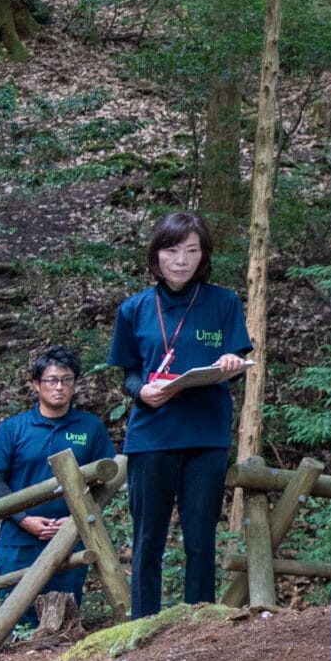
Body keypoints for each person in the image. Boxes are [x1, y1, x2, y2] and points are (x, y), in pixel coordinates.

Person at [107, 210, 251, 619]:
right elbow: (129, 373)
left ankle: (198, 621)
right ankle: (143, 624)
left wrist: (230, 362)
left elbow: (237, 355)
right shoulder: (133, 309)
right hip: (152, 434)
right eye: (172, 250)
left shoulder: (223, 302)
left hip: (206, 434)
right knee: (148, 537)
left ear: (203, 256)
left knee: (201, 538)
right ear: (156, 256)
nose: (182, 260)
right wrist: (141, 391)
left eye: (192, 250)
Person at [0, 347, 114, 623]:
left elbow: (104, 481)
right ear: (36, 384)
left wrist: (74, 520)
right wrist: (23, 519)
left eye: (67, 379)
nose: (59, 387)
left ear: (75, 383)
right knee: (14, 622)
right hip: (19, 538)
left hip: (70, 536)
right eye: (51, 380)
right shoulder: (14, 428)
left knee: (62, 622)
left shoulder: (90, 427)